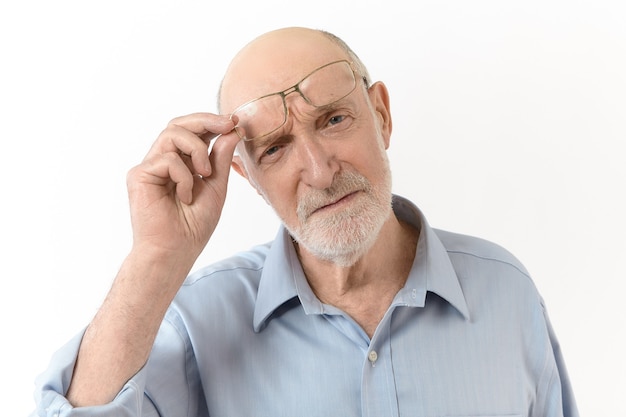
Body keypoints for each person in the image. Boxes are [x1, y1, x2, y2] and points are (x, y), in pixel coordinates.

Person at [31, 26, 579, 417]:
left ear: (381, 115)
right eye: (274, 148)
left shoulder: (506, 291)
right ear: (245, 175)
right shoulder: (199, 322)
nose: (319, 171)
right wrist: (154, 258)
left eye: (335, 119)